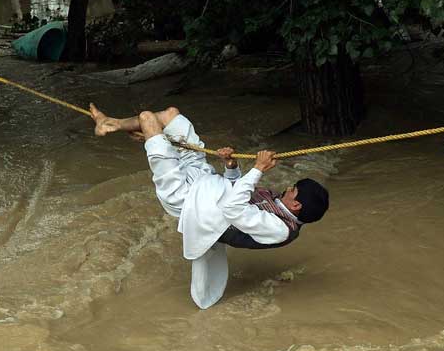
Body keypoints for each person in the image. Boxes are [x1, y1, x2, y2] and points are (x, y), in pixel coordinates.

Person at [90, 104, 329, 308]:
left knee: (147, 118)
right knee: (172, 116)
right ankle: (112, 124)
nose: (287, 189)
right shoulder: (278, 203)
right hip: (206, 181)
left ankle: (141, 134)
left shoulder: (279, 229)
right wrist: (231, 165)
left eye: (292, 190)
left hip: (187, 200)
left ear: (296, 204)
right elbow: (237, 192)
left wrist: (257, 169)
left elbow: (232, 210)